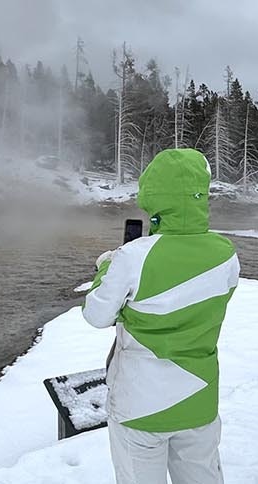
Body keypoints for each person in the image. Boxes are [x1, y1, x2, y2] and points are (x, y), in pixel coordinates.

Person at [84, 148, 240, 484]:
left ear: (152, 194)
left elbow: (97, 314)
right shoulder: (226, 254)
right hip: (199, 398)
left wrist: (106, 268)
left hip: (140, 406)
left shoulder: (132, 257)